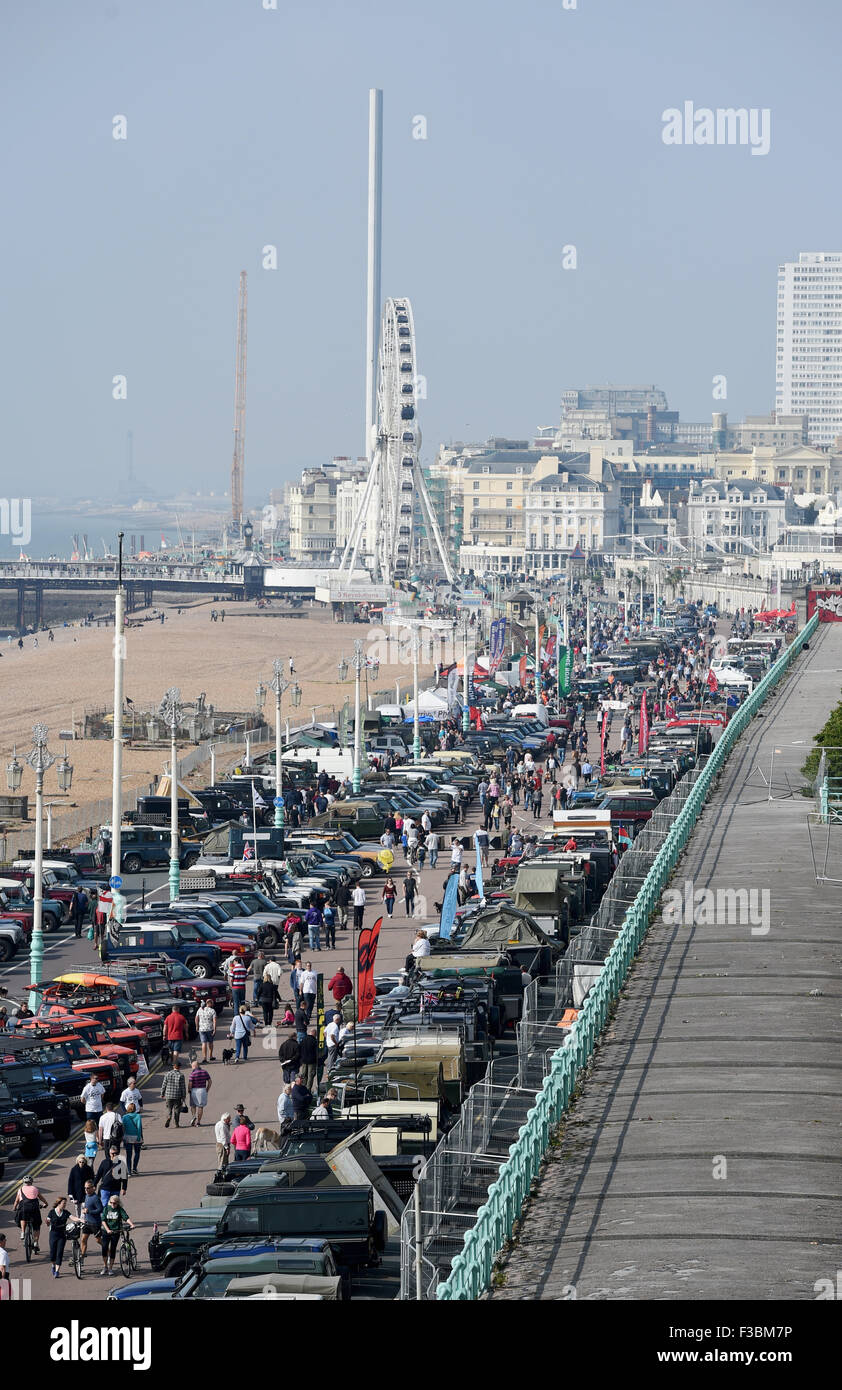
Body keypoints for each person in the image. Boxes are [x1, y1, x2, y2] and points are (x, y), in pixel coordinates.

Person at [99, 1192, 134, 1278]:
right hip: (106, 1231)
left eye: (114, 1203)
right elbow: (103, 1220)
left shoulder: (119, 1209)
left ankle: (110, 1268)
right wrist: (107, 1230)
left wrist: (131, 1224)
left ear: (118, 1202)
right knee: (104, 1247)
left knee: (113, 1249)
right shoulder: (106, 1208)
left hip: (116, 1231)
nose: (112, 1204)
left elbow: (126, 1217)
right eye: (111, 1202)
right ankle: (105, 1266)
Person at [14, 1176, 47, 1251]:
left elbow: (16, 1201)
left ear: (23, 1182)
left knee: (22, 1217)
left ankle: (22, 1232)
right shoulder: (35, 1189)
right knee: (37, 1225)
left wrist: (14, 1208)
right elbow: (41, 1198)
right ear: (31, 1182)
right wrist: (46, 1204)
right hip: (34, 1208)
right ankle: (35, 1242)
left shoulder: (20, 1189)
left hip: (24, 1208)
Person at [47, 1196, 71, 1278]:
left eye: (65, 1204)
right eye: (64, 1203)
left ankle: (57, 1271)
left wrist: (80, 1219)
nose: (65, 1205)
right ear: (59, 1203)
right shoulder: (52, 1212)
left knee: (59, 1253)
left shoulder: (65, 1212)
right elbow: (48, 1221)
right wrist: (47, 1222)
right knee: (52, 1253)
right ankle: (53, 1265)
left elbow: (72, 1217)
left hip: (62, 1235)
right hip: (53, 1234)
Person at [79, 1181, 102, 1263]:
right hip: (87, 1223)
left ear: (93, 1188)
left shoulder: (95, 1198)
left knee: (98, 1241)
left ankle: (108, 1251)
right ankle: (81, 1258)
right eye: (85, 1188)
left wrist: (89, 1211)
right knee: (83, 1240)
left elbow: (100, 1210)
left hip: (95, 1223)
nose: (86, 1189)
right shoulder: (86, 1196)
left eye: (88, 1188)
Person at [67, 1154, 95, 1219]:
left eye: (83, 1162)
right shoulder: (74, 1169)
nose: (81, 1163)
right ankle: (78, 1219)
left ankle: (83, 1220)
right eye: (80, 1162)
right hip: (76, 1192)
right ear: (77, 1161)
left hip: (85, 1191)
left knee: (84, 1205)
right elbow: (70, 1181)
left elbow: (92, 1179)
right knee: (77, 1207)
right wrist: (70, 1193)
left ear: (85, 1162)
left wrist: (92, 1187)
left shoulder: (88, 1169)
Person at [160, 1058, 187, 1126]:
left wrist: (162, 1093)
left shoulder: (168, 1074)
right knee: (177, 1110)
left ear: (173, 1066)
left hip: (168, 1095)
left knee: (169, 1108)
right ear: (179, 1067)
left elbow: (164, 1084)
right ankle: (176, 1123)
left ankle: (169, 1117)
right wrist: (183, 1096)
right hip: (177, 1095)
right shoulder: (181, 1075)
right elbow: (183, 1087)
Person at [187, 1060, 212, 1126]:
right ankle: (198, 1122)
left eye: (192, 1066)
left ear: (195, 1066)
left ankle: (193, 1116)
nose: (192, 1068)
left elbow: (190, 1083)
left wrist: (189, 1090)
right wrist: (207, 1089)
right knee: (200, 1107)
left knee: (193, 1105)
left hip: (194, 1090)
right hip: (202, 1090)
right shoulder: (205, 1072)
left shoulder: (192, 1074)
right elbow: (210, 1081)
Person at [122, 1102, 143, 1173]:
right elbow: (139, 1127)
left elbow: (123, 1128)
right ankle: (134, 1168)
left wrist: (123, 1137)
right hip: (136, 1136)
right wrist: (139, 1136)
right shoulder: (138, 1116)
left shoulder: (124, 1117)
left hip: (127, 1137)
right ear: (135, 1109)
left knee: (129, 1154)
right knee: (137, 1153)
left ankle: (129, 1170)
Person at [195, 997, 217, 1063]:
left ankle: (204, 1058)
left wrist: (197, 1026)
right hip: (209, 1029)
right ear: (210, 1004)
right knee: (210, 1042)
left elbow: (196, 1018)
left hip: (202, 1029)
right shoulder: (212, 1011)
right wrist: (214, 1029)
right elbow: (214, 1021)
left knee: (203, 1043)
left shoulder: (200, 1009)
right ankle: (210, 1056)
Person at [299, 1026, 318, 1091]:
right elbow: (317, 1052)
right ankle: (308, 1089)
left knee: (304, 1075)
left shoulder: (303, 1039)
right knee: (310, 1076)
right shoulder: (314, 1041)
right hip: (312, 1061)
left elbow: (299, 1049)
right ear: (315, 1034)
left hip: (304, 1061)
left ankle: (303, 1088)